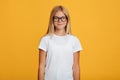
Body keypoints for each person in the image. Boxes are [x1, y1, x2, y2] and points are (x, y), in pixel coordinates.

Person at [38, 5, 83, 80]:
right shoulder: (45, 40)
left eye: (63, 18)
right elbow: (41, 66)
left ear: (67, 19)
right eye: (56, 18)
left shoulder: (74, 40)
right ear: (52, 20)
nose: (60, 21)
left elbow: (76, 67)